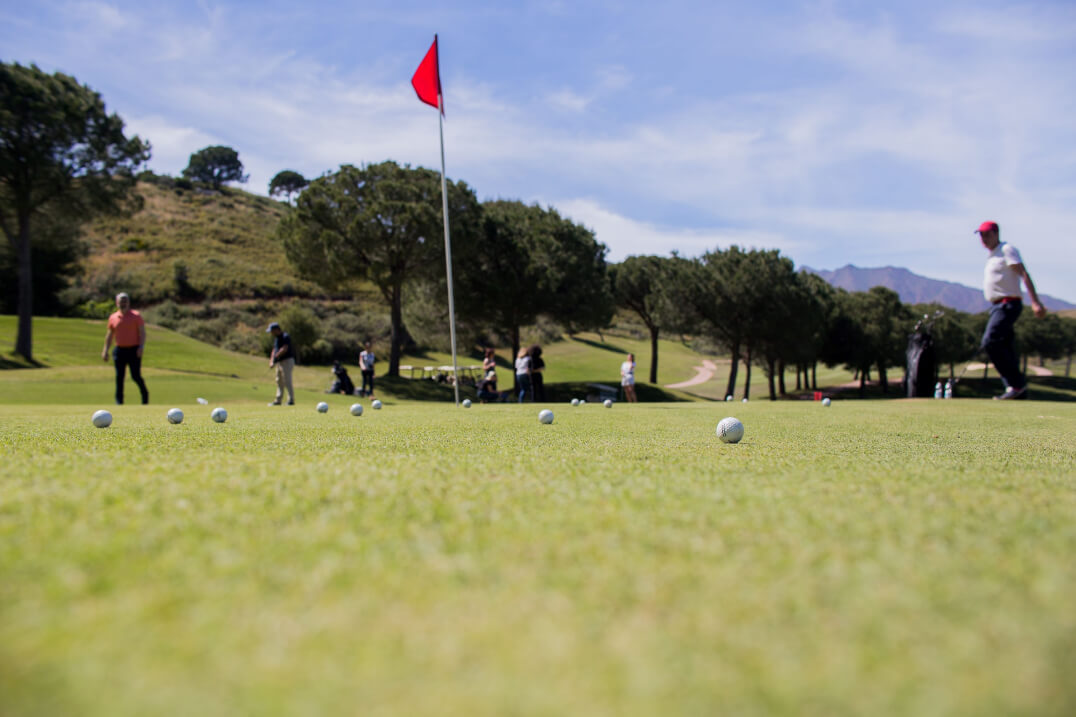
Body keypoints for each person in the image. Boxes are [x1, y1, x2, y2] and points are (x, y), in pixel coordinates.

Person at [975, 221, 1046, 400]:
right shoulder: (992, 255)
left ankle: (1016, 385)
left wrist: (1035, 302)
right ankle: (1017, 389)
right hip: (998, 305)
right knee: (1006, 347)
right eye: (981, 235)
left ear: (996, 233)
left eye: (987, 234)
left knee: (990, 341)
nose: (983, 239)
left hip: (1008, 304)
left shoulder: (1007, 250)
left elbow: (1024, 274)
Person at [101, 292, 149, 404]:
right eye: (121, 301)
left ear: (128, 302)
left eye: (125, 301)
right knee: (119, 377)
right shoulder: (113, 317)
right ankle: (119, 402)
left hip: (134, 350)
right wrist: (105, 350)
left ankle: (145, 397)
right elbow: (109, 335)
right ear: (117, 303)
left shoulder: (136, 316)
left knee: (135, 376)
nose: (123, 303)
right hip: (119, 350)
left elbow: (142, 333)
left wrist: (141, 347)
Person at [267, 322, 295, 405]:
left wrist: (276, 357)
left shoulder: (285, 336)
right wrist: (272, 361)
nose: (271, 333)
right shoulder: (276, 338)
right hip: (279, 362)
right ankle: (278, 400)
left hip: (287, 361)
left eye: (271, 331)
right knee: (279, 381)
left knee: (287, 380)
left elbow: (284, 348)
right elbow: (274, 350)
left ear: (276, 330)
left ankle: (291, 400)